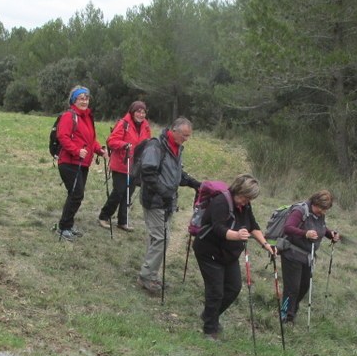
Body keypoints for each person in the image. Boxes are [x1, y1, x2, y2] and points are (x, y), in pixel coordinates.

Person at [192, 173, 275, 339]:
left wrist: (266, 245)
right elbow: (218, 228)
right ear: (238, 190)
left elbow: (253, 225)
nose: (246, 201)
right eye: (245, 197)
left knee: (234, 288)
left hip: (229, 255)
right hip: (209, 252)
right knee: (216, 291)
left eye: (249, 199)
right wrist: (237, 235)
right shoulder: (221, 202)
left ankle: (210, 315)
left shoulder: (245, 205)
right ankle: (210, 330)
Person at [136, 117, 201, 295]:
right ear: (174, 130)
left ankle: (150, 273)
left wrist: (194, 183)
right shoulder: (155, 146)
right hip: (155, 201)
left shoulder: (177, 148)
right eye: (184, 135)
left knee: (158, 238)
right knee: (161, 238)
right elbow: (148, 173)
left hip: (168, 201)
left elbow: (176, 173)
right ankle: (147, 277)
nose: (186, 139)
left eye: (188, 136)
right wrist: (164, 192)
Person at [276, 190, 342, 326]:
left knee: (304, 286)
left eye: (325, 209)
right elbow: (288, 228)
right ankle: (285, 315)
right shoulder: (300, 211)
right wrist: (305, 234)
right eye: (322, 208)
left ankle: (292, 311)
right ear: (315, 202)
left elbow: (320, 228)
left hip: (307, 256)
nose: (323, 212)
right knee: (292, 287)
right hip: (291, 253)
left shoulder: (319, 214)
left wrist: (331, 234)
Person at [55, 85, 105, 241]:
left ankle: (67, 225)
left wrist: (99, 150)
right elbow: (62, 137)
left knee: (76, 195)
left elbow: (90, 140)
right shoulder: (69, 116)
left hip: (83, 163)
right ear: (73, 100)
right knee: (76, 194)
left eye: (87, 98)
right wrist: (76, 151)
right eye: (81, 98)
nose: (84, 101)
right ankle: (63, 227)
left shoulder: (87, 117)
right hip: (69, 162)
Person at [98, 100, 150, 231]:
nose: (141, 114)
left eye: (143, 112)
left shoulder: (146, 126)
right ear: (132, 112)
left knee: (128, 193)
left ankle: (122, 221)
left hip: (135, 166)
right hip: (121, 163)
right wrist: (124, 145)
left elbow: (148, 142)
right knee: (119, 191)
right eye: (138, 111)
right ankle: (104, 216)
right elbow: (111, 141)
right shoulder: (124, 123)